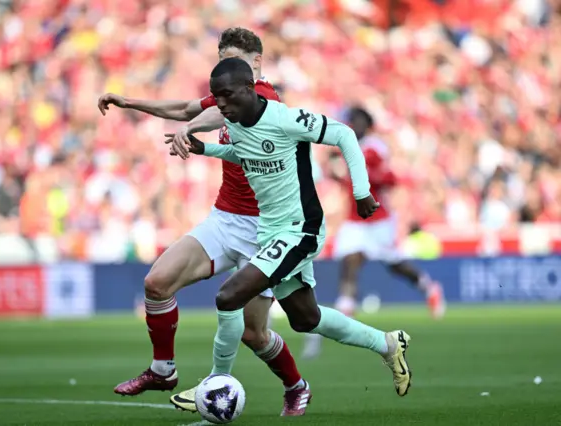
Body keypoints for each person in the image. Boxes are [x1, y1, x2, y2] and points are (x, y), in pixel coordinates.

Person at [172, 58, 413, 404]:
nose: (219, 104)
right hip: (272, 232)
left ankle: (215, 381)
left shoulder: (286, 119)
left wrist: (362, 192)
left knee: (229, 296)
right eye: (215, 97)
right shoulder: (236, 124)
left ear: (248, 88)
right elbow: (246, 156)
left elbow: (344, 134)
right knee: (305, 317)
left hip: (301, 229)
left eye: (225, 95)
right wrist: (207, 149)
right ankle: (388, 343)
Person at [97, 28, 309, 416]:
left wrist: (192, 129)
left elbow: (207, 115)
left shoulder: (267, 97)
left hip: (266, 232)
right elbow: (185, 108)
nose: (227, 70)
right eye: (222, 61)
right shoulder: (228, 93)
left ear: (257, 63)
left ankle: (296, 386)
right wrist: (130, 102)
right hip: (226, 219)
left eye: (237, 61)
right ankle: (163, 370)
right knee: (157, 283)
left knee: (254, 333)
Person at [301, 107, 446, 359]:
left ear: (367, 124)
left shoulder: (374, 147)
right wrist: (339, 174)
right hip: (355, 220)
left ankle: (429, 287)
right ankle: (346, 311)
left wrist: (359, 174)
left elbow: (389, 178)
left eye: (357, 121)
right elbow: (341, 174)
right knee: (349, 261)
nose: (353, 125)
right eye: (351, 120)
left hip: (377, 219)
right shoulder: (346, 145)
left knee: (394, 263)